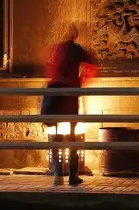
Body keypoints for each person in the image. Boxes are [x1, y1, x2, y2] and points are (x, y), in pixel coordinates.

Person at [41, 22, 98, 186]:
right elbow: (93, 65)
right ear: (75, 35)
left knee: (55, 131)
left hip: (56, 95)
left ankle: (58, 174)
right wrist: (82, 81)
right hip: (71, 95)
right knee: (73, 135)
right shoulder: (76, 49)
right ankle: (73, 175)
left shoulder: (56, 49)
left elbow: (48, 67)